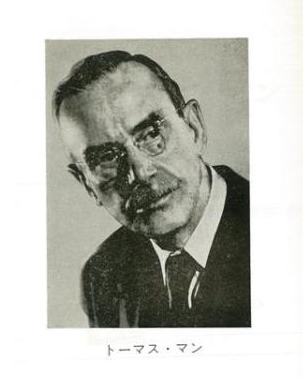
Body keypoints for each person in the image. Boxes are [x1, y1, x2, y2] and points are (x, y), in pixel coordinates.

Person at [53, 50, 250, 327]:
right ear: (87, 184)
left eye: (152, 134)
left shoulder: (278, 234)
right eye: (106, 158)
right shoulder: (102, 275)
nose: (140, 173)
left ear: (193, 127)